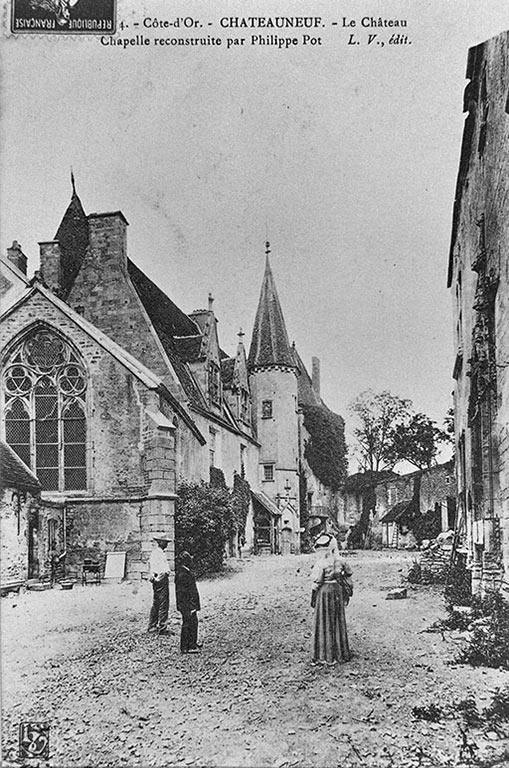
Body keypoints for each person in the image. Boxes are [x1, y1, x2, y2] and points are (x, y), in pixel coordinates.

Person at [310, 533, 352, 666]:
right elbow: (348, 577)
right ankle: (340, 652)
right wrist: (347, 592)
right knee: (336, 620)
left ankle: (324, 654)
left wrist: (313, 598)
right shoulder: (341, 561)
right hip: (337, 591)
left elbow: (316, 583)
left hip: (325, 592)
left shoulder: (321, 563)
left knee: (324, 620)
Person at [175, 551, 201, 654]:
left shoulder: (184, 572)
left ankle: (192, 642)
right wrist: (191, 606)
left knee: (193, 622)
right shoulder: (183, 574)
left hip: (188, 604)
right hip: (187, 605)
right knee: (188, 623)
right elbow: (185, 593)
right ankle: (187, 646)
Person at [147, 536, 171, 635]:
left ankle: (152, 626)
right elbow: (153, 566)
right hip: (160, 579)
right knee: (163, 603)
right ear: (160, 542)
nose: (166, 544)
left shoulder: (159, 553)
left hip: (159, 578)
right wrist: (157, 577)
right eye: (165, 542)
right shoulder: (157, 553)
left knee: (157, 603)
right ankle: (162, 627)